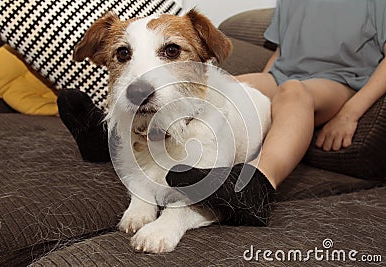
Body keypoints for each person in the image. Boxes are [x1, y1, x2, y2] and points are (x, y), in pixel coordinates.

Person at [58, 0, 386, 226]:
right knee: (227, 87)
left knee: (293, 92)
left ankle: (257, 184)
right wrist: (252, 88)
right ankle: (116, 137)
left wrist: (351, 112)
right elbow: (286, 53)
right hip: (282, 74)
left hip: (339, 82)